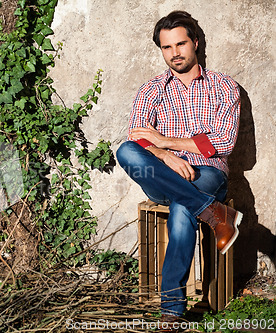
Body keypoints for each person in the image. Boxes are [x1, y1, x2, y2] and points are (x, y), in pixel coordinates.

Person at [116, 11, 242, 321]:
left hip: (208, 174)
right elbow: (137, 137)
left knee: (183, 206)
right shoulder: (151, 89)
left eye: (180, 44)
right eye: (166, 47)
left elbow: (222, 143)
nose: (175, 53)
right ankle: (213, 213)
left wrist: (165, 142)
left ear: (195, 43)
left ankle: (171, 311)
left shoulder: (224, 87)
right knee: (126, 152)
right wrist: (163, 155)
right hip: (160, 176)